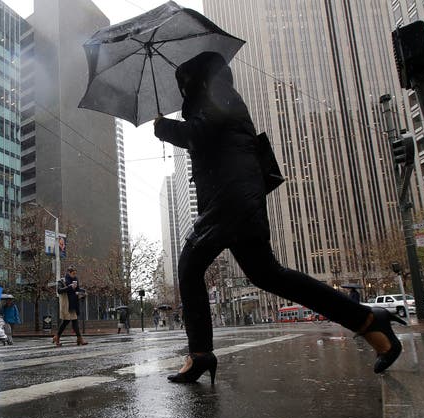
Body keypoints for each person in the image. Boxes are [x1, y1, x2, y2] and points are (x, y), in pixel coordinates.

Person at [153, 52, 405, 384]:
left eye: (184, 82)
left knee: (189, 267)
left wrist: (163, 127)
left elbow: (198, 134)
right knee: (268, 275)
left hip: (231, 199)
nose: (182, 90)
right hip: (235, 198)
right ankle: (367, 320)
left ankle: (200, 354)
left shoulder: (218, 95)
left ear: (198, 78)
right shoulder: (216, 98)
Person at [52, 266, 87, 346]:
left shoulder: (76, 280)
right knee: (66, 322)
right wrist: (69, 287)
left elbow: (77, 290)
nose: (74, 275)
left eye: (75, 273)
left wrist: (82, 293)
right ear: (69, 272)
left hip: (74, 304)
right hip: (66, 305)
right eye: (73, 273)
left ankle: (78, 338)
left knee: (74, 321)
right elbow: (59, 291)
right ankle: (58, 337)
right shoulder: (62, 281)